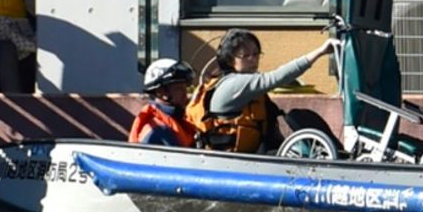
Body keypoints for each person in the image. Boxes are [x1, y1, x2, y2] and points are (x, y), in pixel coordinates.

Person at [186, 29, 335, 153]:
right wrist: (320, 52)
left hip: (255, 153)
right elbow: (275, 78)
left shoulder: (243, 80)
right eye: (245, 55)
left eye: (256, 54)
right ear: (230, 59)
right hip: (234, 160)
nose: (253, 59)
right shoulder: (233, 84)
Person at [129, 58, 198, 147]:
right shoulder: (159, 131)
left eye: (185, 88)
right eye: (179, 88)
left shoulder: (177, 120)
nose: (185, 94)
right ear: (162, 92)